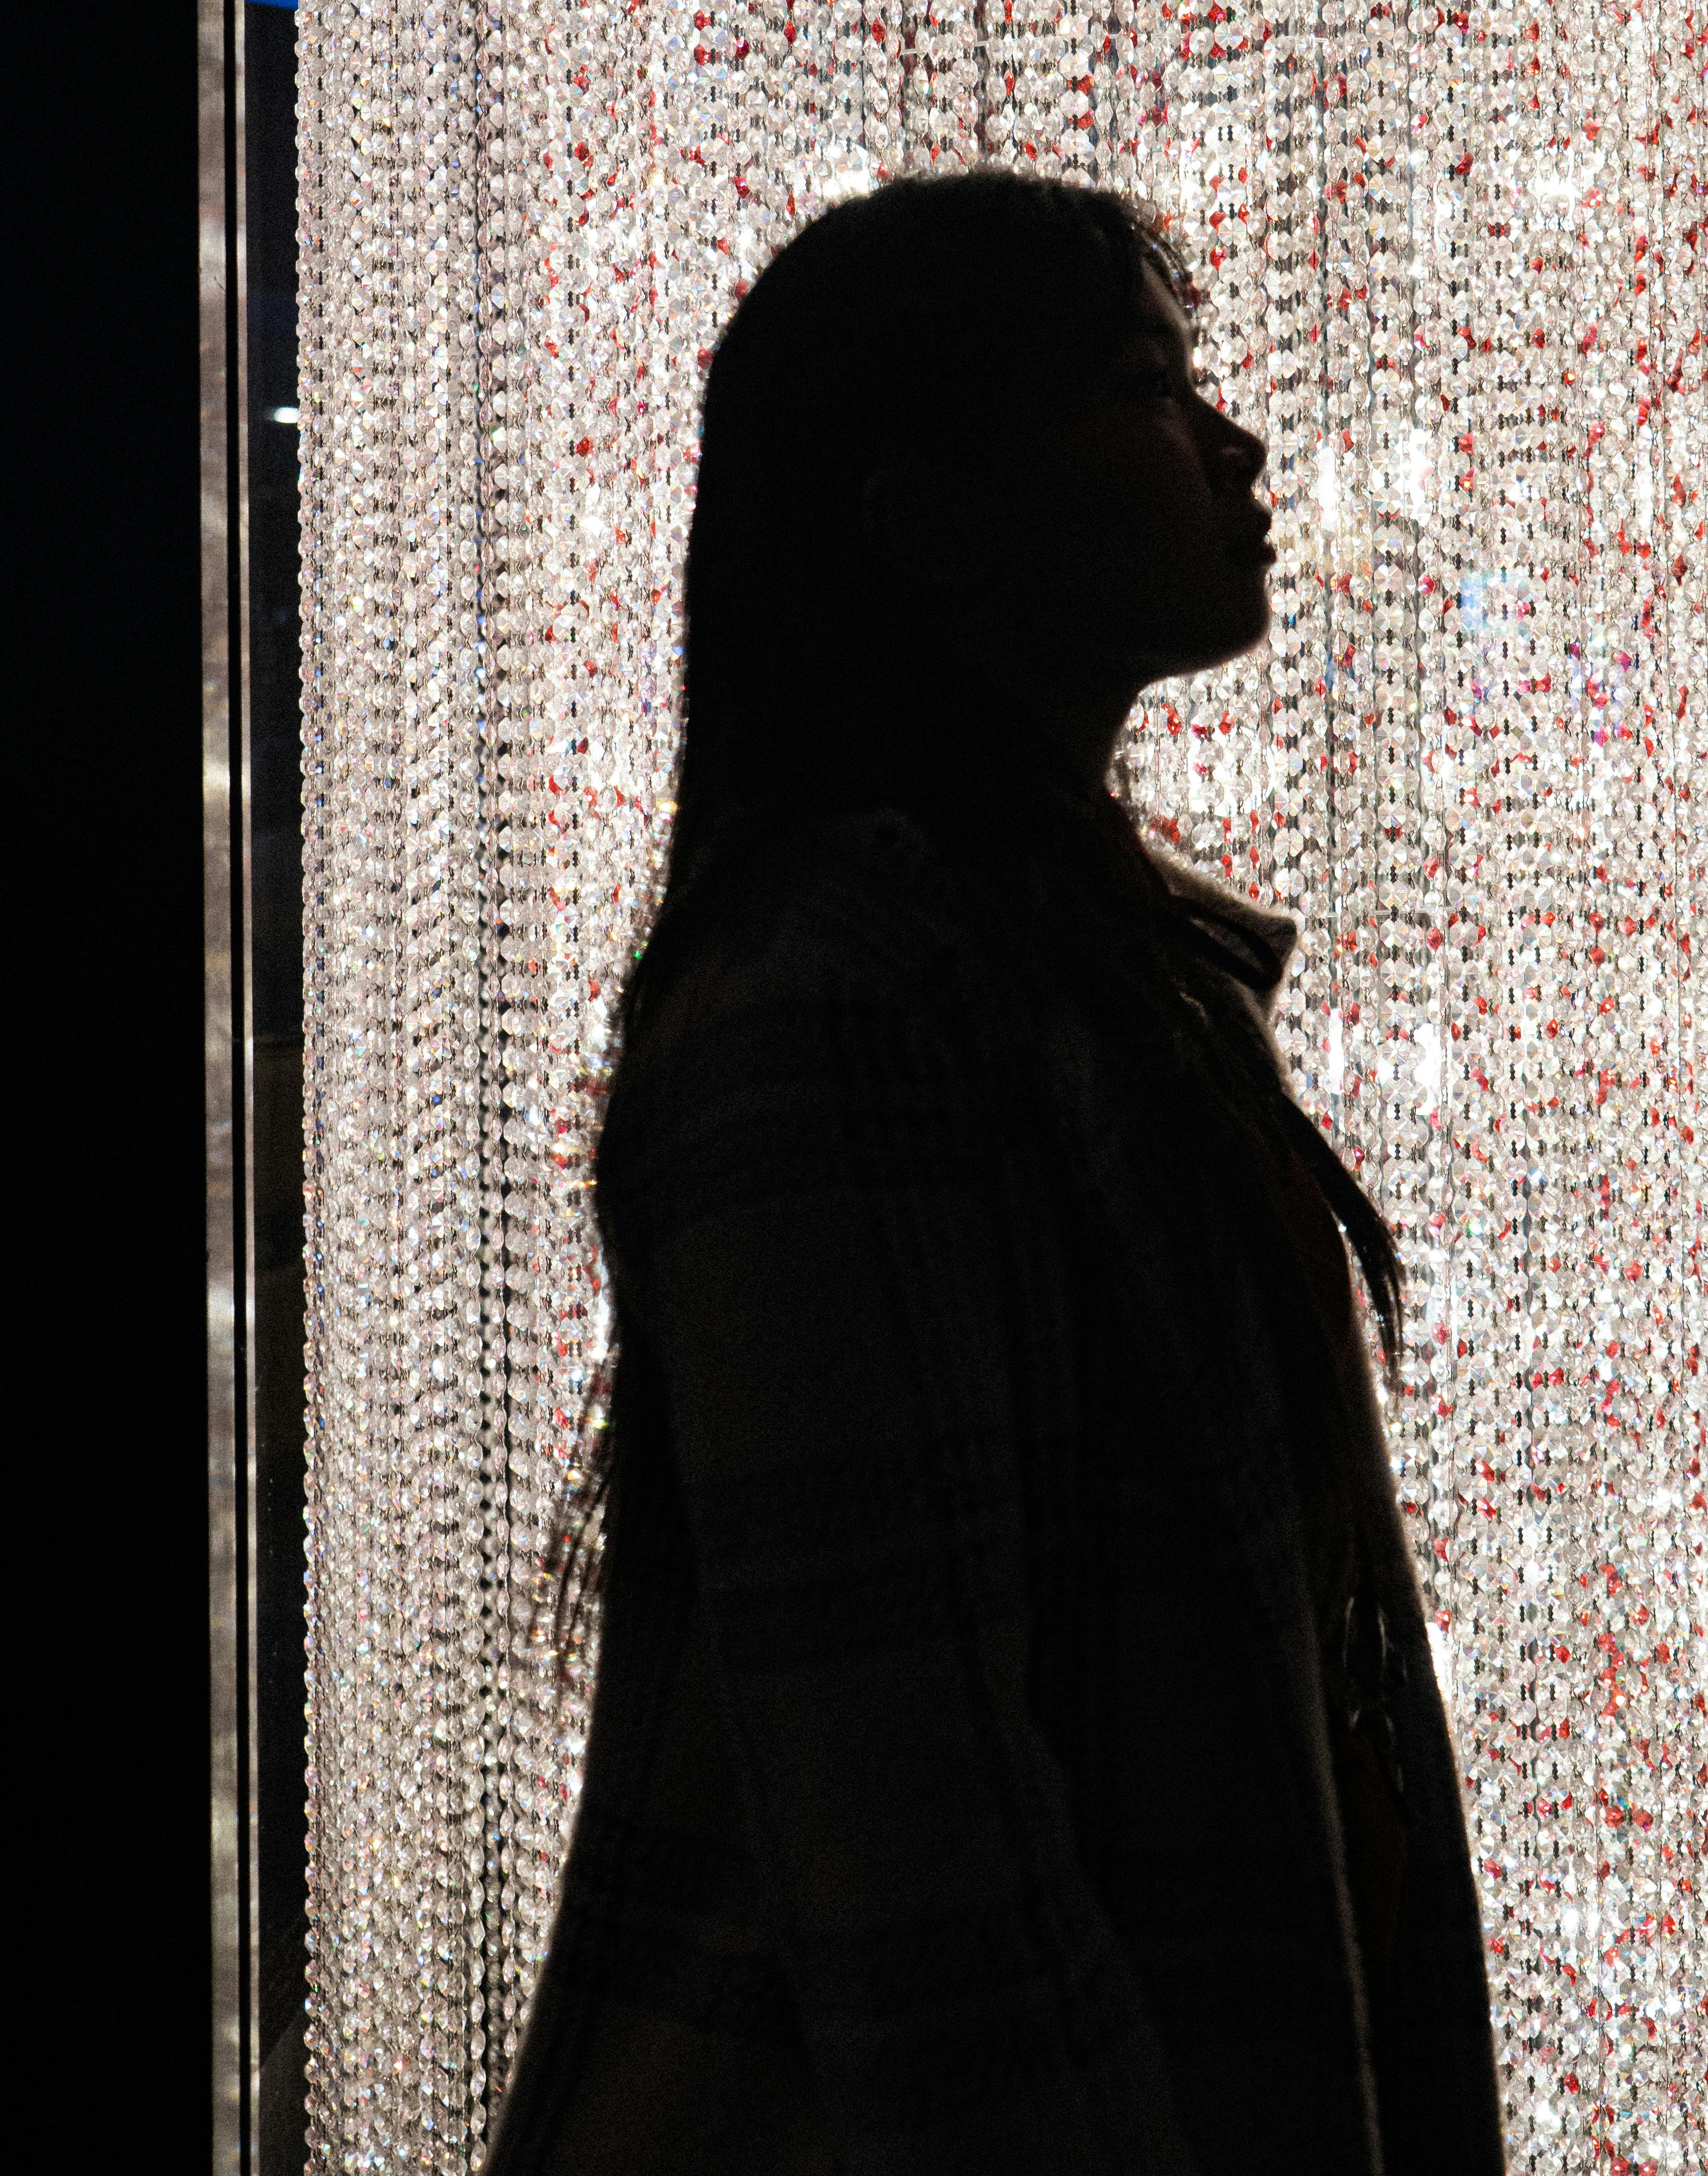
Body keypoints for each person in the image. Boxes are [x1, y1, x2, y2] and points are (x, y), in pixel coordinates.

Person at [483, 173, 1502, 2175]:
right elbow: (916, 1844)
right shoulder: (833, 1005)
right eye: (1144, 383)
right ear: (927, 515)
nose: (1234, 439)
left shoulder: (1092, 981)